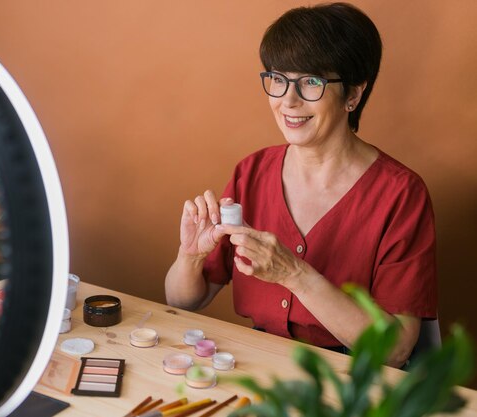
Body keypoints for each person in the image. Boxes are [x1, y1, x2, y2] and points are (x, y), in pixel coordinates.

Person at [164, 2, 437, 368]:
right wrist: (191, 256)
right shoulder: (252, 171)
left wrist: (296, 275)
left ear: (353, 95)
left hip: (353, 380)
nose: (287, 101)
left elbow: (395, 351)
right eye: (278, 79)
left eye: (311, 82)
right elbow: (183, 302)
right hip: (259, 367)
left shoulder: (402, 195)